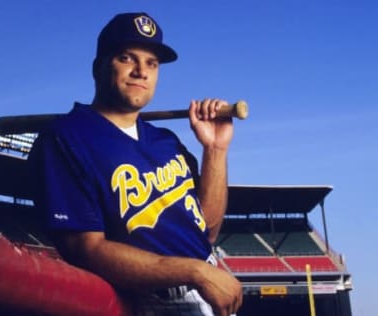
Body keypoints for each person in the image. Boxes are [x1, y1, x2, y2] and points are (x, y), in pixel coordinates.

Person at [28, 12, 242, 316]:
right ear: (98, 67)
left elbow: (205, 231)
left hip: (211, 285)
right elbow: (85, 249)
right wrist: (195, 272)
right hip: (157, 301)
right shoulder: (67, 139)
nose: (142, 71)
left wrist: (215, 150)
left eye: (152, 63)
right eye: (127, 58)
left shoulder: (166, 141)